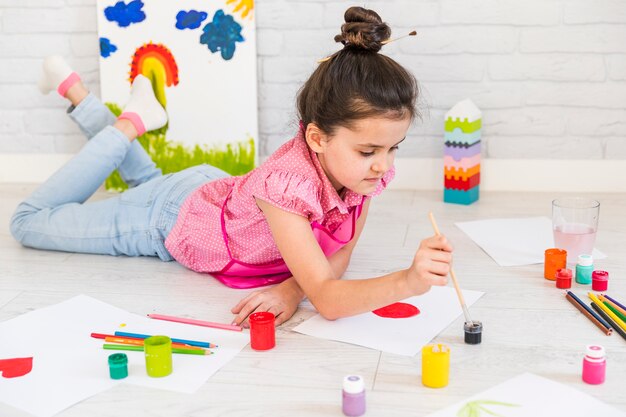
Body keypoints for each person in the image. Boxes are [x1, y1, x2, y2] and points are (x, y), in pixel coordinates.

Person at [10, 6, 453, 327]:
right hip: (168, 218)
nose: (383, 167)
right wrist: (407, 281)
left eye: (394, 149)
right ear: (317, 137)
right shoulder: (288, 188)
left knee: (150, 181)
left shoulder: (360, 174)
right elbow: (331, 302)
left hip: (212, 196)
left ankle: (74, 91)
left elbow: (339, 252)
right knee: (27, 223)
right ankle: (133, 123)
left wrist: (292, 288)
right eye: (369, 151)